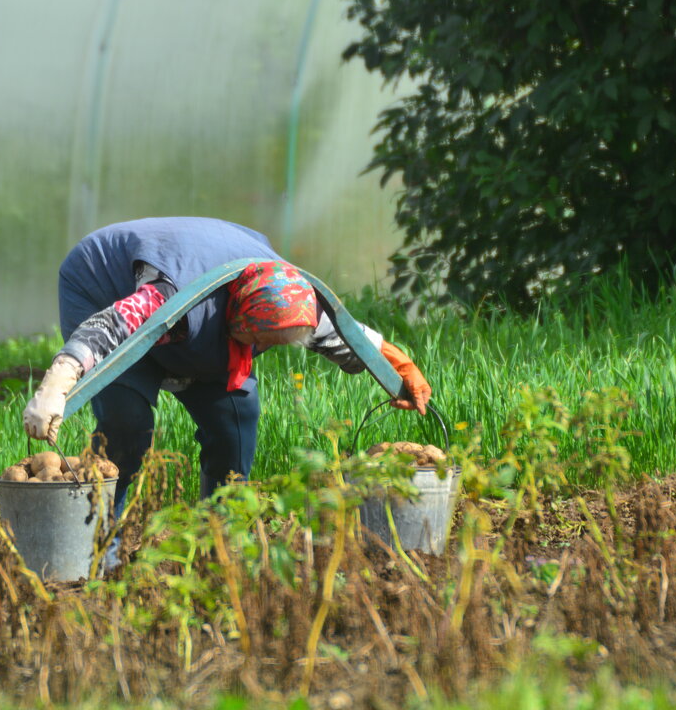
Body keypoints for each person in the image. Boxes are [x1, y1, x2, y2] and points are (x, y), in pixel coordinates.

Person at [22, 217, 431, 513]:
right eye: (255, 343)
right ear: (236, 320)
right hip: (102, 286)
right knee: (127, 423)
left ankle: (219, 534)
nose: (258, 352)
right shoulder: (165, 297)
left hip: (202, 312)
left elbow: (349, 335)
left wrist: (403, 372)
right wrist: (55, 386)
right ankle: (98, 543)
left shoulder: (288, 299)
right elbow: (108, 328)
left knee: (236, 416)